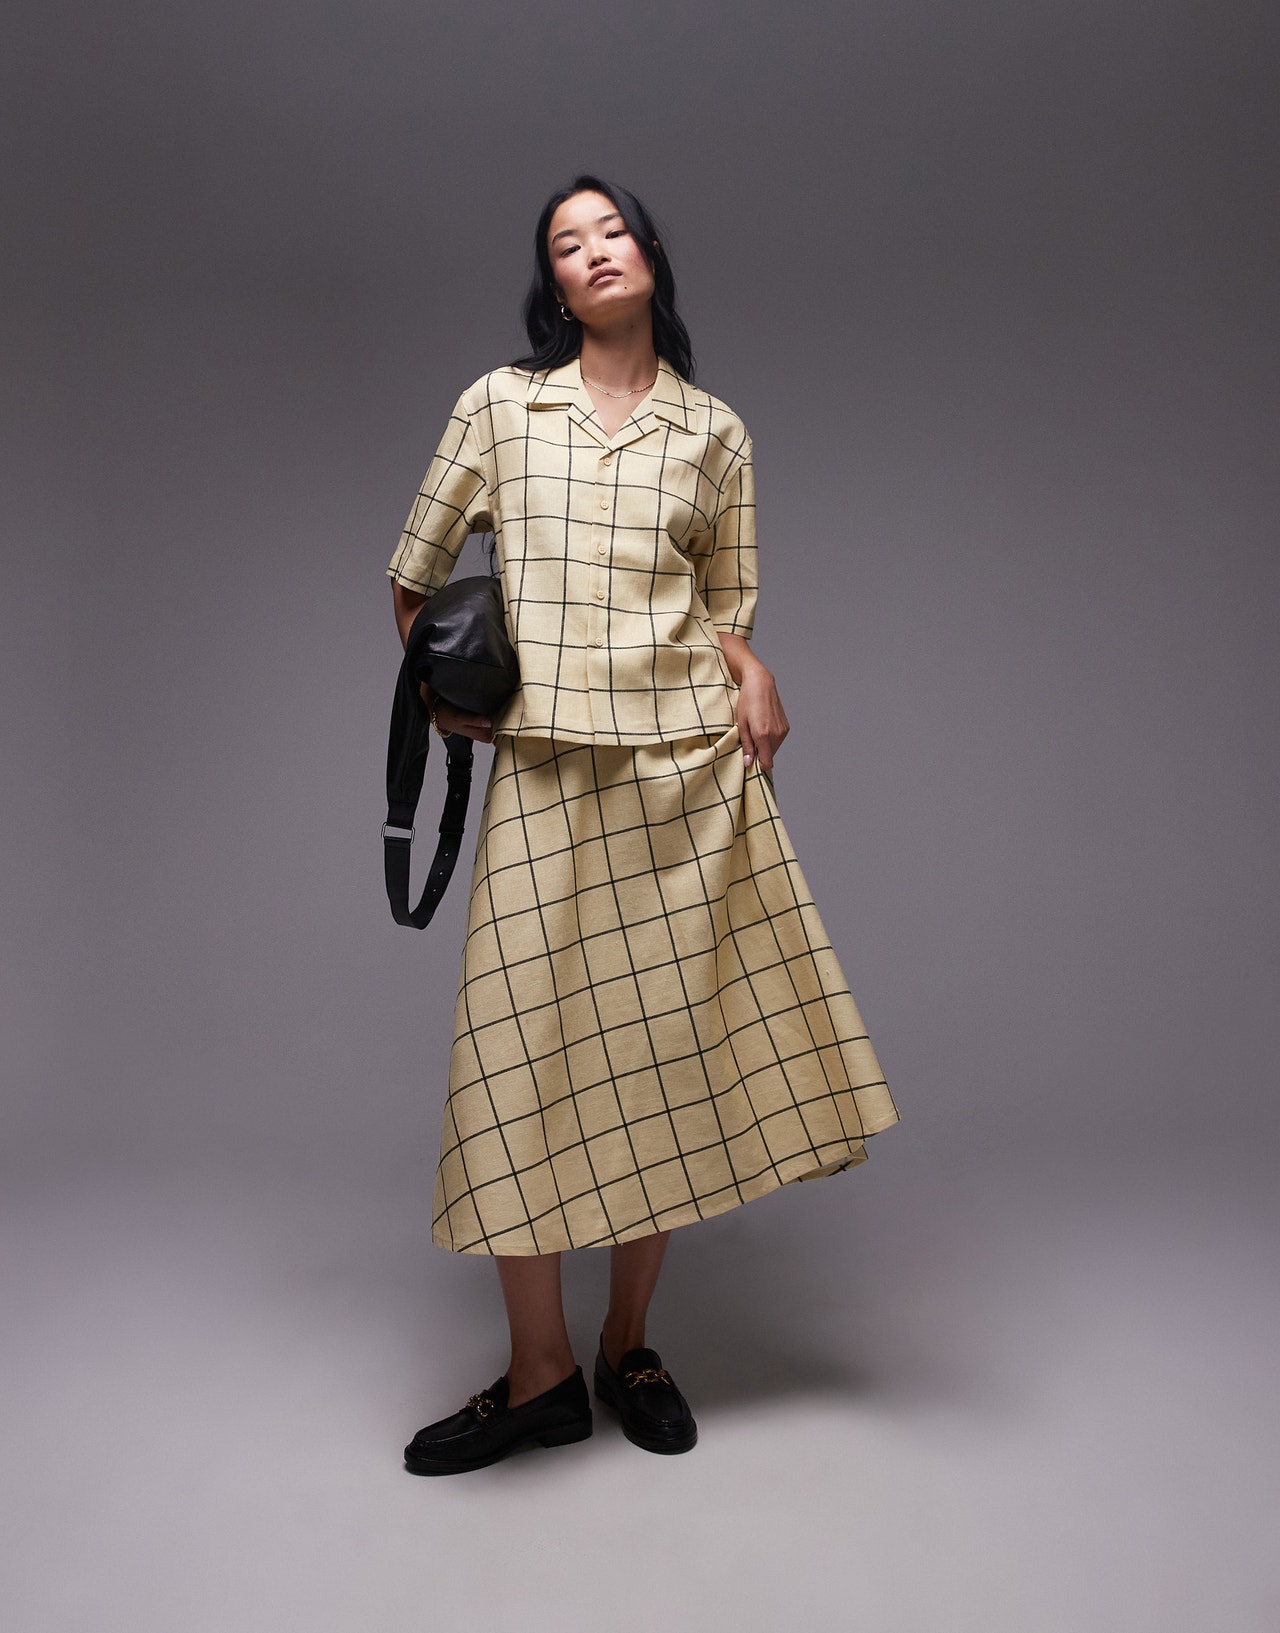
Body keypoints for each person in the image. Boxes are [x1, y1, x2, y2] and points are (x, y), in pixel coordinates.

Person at [387, 174, 899, 1475]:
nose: (595, 251)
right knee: (516, 1062)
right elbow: (413, 575)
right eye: (568, 244)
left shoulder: (714, 431)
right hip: (544, 774)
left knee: (658, 1058)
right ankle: (540, 1372)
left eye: (611, 230)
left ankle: (627, 1344)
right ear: (553, 286)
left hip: (682, 773)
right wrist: (449, 697)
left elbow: (725, 605)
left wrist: (753, 665)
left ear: (651, 254)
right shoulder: (500, 407)